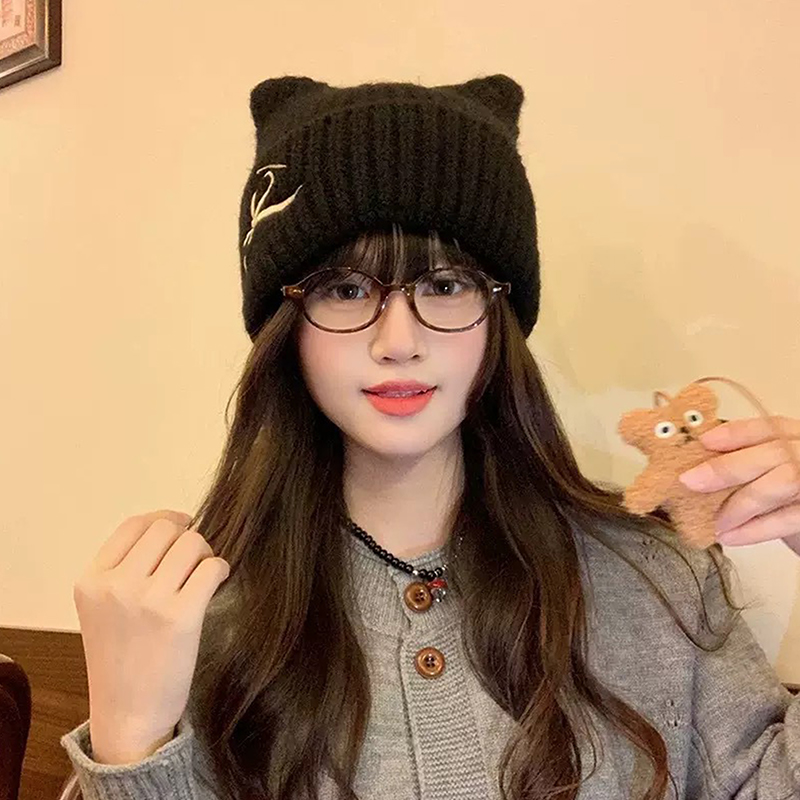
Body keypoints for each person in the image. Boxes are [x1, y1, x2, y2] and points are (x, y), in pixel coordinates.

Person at [60, 74, 800, 800]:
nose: (398, 341)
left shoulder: (656, 575)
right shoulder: (181, 617)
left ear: (498, 315)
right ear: (286, 328)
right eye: (345, 289)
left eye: (445, 286)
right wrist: (130, 742)